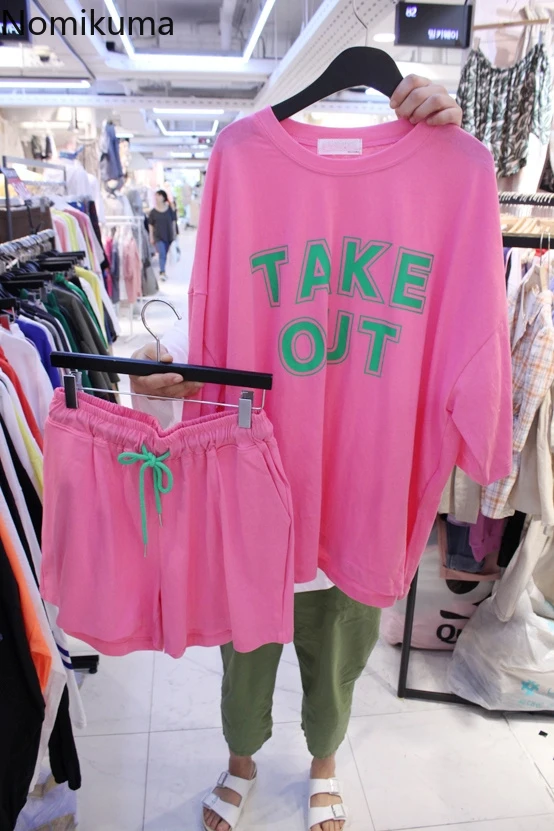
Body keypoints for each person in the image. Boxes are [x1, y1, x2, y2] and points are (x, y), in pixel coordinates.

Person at [131, 77, 464, 831]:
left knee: (340, 649)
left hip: (362, 491)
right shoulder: (241, 159)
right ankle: (241, 758)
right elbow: (213, 308)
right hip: (257, 480)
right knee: (243, 649)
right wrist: (174, 368)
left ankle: (323, 763)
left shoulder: (453, 171)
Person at [148, 189, 177, 280]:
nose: (156, 198)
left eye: (158, 196)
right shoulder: (153, 212)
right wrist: (151, 236)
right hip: (158, 236)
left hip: (168, 235)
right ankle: (162, 271)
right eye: (156, 196)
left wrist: (174, 233)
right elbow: (150, 225)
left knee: (165, 253)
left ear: (163, 197)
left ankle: (163, 270)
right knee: (162, 253)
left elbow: (173, 221)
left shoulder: (169, 209)